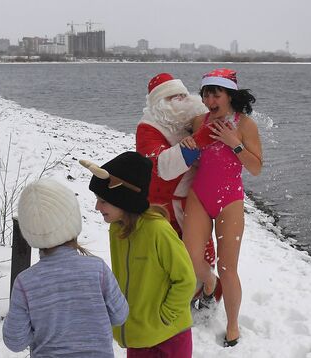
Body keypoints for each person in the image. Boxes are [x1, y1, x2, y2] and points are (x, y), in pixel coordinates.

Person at [82, 151, 196, 357]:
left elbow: (186, 279)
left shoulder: (157, 230)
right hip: (137, 335)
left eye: (103, 201)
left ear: (125, 200)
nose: (97, 206)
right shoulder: (118, 229)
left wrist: (165, 316)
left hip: (169, 335)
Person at [180, 68, 262, 347]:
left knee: (229, 268)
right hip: (200, 195)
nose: (210, 99)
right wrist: (187, 145)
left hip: (230, 200)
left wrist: (235, 143)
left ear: (230, 96)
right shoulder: (197, 121)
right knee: (189, 257)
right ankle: (209, 282)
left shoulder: (245, 125)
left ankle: (233, 325)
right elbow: (184, 156)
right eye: (206, 93)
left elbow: (256, 168)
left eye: (216, 94)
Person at [2, 178, 129, 357]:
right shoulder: (97, 270)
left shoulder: (25, 283)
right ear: (72, 219)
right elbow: (120, 314)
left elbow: (15, 341)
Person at [136, 73, 218, 275]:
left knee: (201, 252)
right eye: (173, 98)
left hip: (197, 199)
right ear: (159, 104)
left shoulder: (195, 118)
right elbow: (162, 166)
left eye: (182, 95)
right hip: (165, 204)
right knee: (170, 256)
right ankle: (179, 297)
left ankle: (207, 293)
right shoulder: (148, 128)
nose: (181, 101)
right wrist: (199, 141)